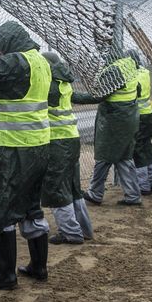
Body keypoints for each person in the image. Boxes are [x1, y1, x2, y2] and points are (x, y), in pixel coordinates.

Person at [0, 21, 51, 289]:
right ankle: (39, 267)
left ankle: (5, 275)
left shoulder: (17, 64)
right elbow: (2, 63)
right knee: (31, 207)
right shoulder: (38, 60)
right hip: (38, 147)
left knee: (1, 209)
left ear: (8, 47)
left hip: (13, 149)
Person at [73, 50, 142, 206]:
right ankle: (130, 194)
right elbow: (137, 90)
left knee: (107, 157)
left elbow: (98, 95)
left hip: (114, 121)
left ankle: (97, 193)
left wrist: (72, 95)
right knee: (122, 157)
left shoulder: (114, 71)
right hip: (127, 117)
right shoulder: (129, 66)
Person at [40, 51, 94, 245]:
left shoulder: (49, 84)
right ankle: (84, 229)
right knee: (72, 186)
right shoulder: (64, 81)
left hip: (57, 142)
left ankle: (70, 232)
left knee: (56, 187)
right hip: (71, 138)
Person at [132, 53, 152, 194]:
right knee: (147, 147)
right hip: (147, 115)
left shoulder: (132, 76)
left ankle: (143, 185)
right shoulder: (145, 72)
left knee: (138, 150)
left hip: (137, 116)